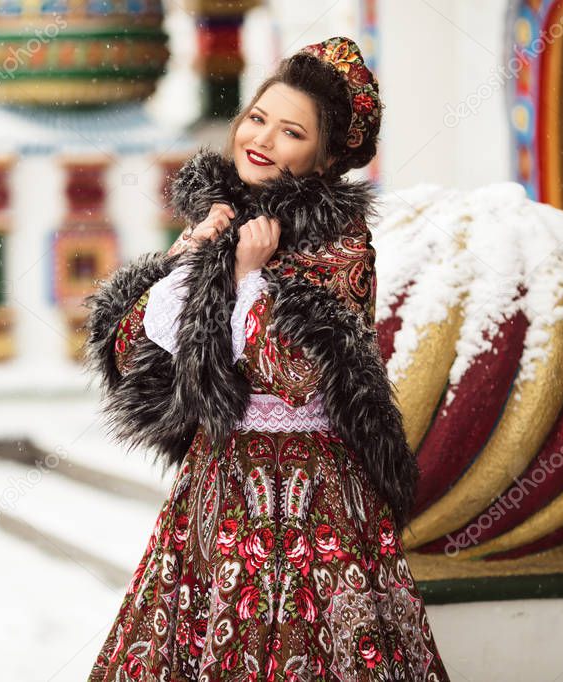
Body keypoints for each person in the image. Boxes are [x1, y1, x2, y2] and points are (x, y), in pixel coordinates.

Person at [84, 36, 449, 681]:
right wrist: (193, 257)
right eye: (257, 118)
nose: (262, 139)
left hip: (315, 489)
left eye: (291, 132)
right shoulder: (220, 220)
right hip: (220, 478)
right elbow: (136, 346)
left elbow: (297, 371)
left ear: (327, 154)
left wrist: (248, 278)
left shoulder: (340, 242)